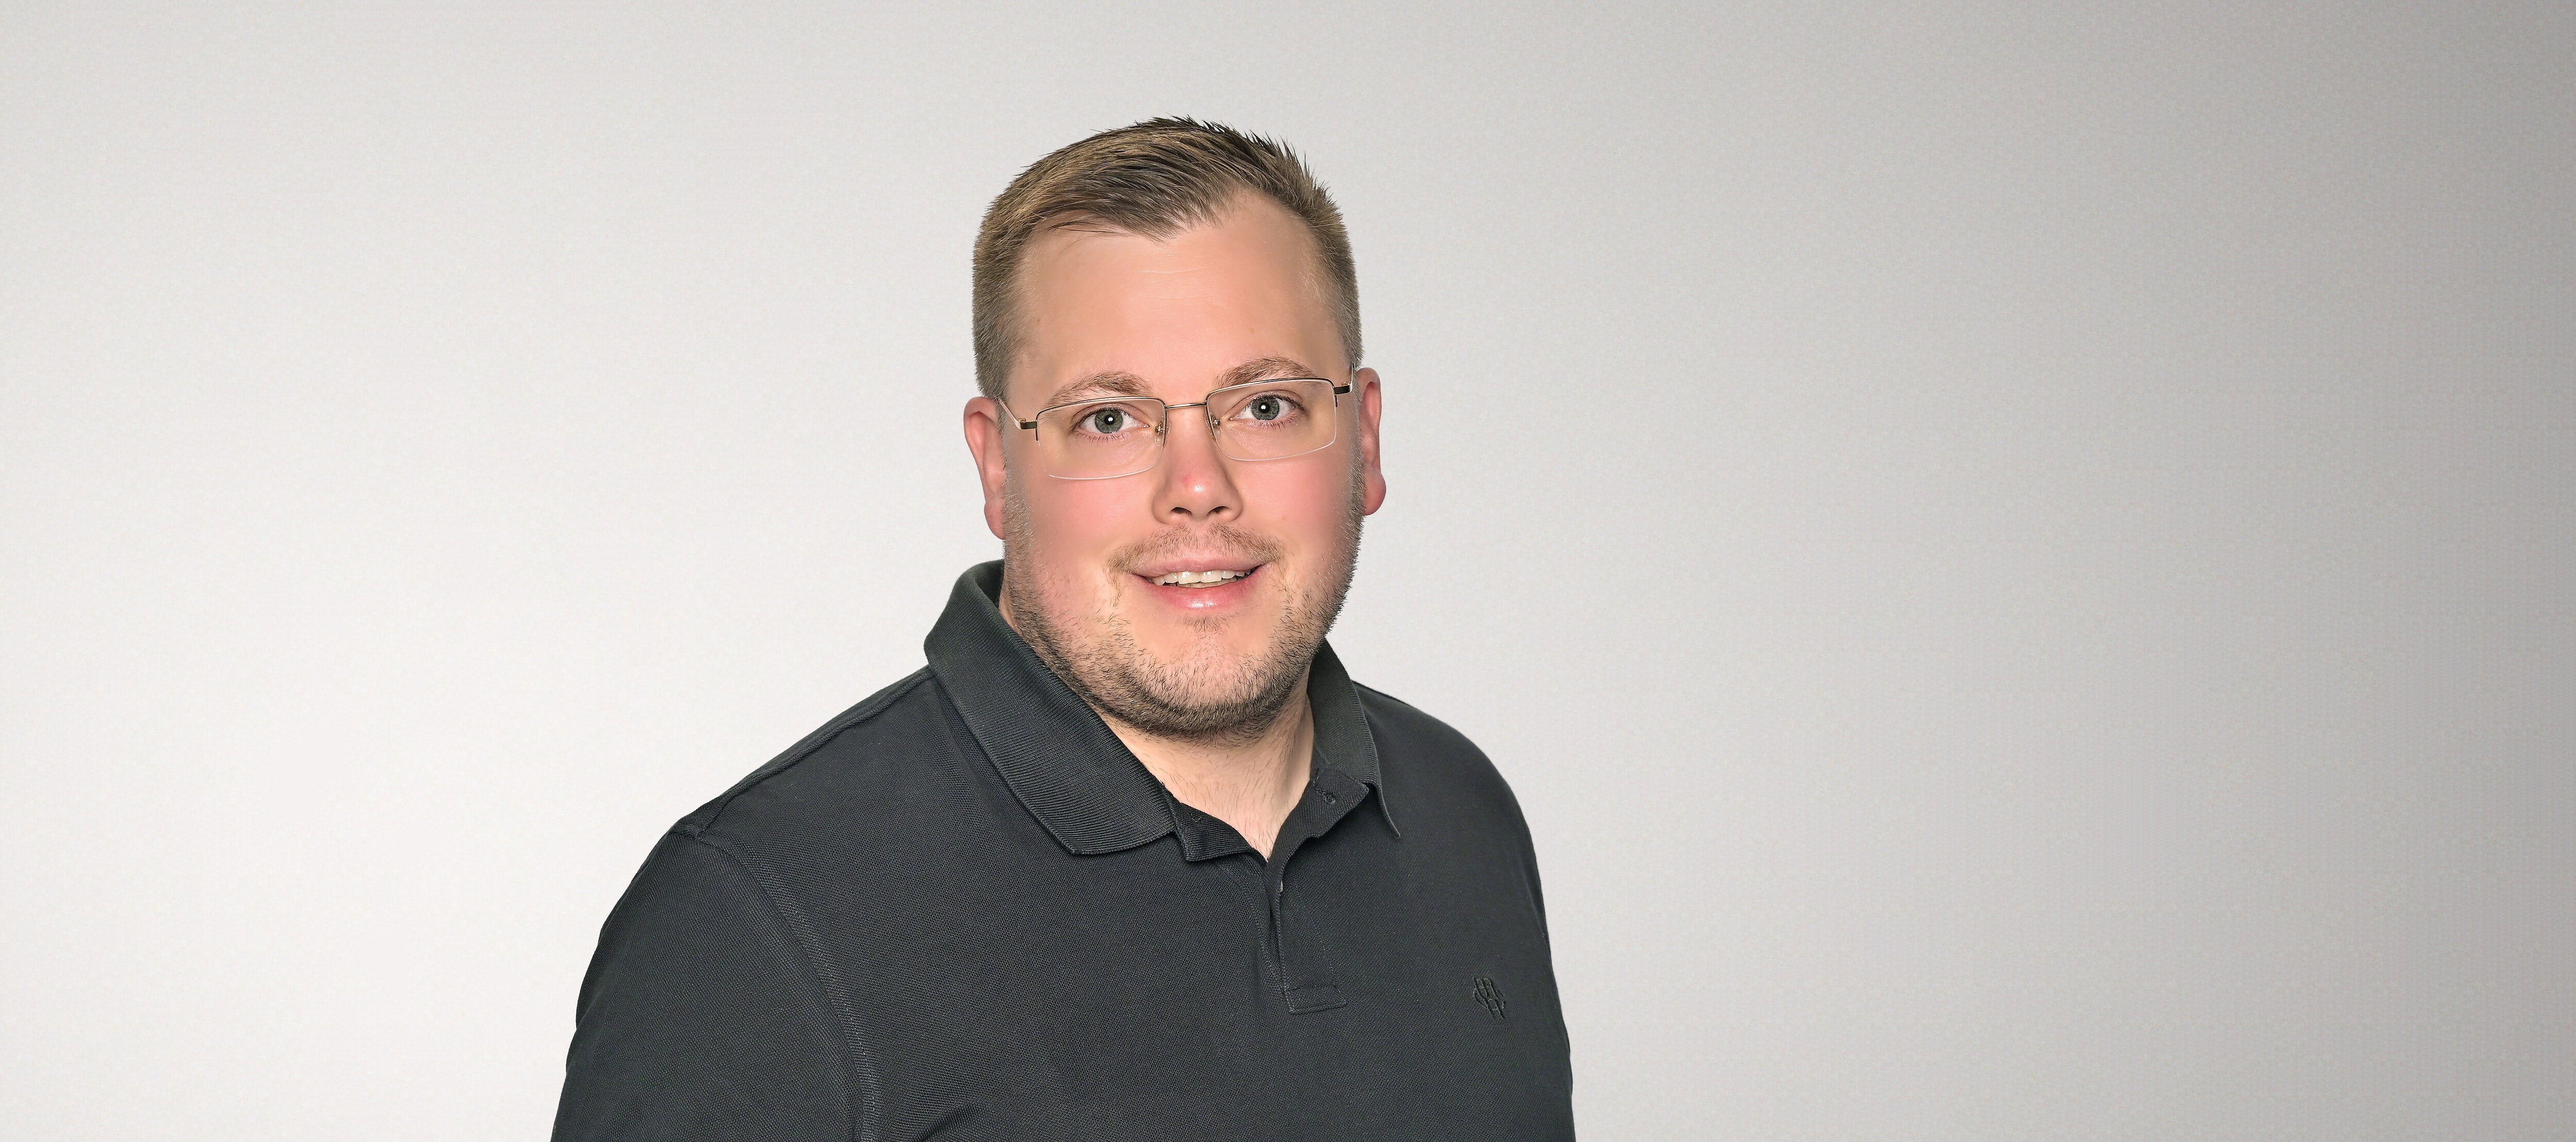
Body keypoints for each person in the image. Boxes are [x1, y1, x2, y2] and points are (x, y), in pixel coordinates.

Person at [552, 117, 1574, 1140]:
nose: (1198, 488)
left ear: (1364, 438)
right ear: (999, 467)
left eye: (1265, 405)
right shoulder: (753, 921)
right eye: (1107, 419)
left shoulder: (1462, 812)